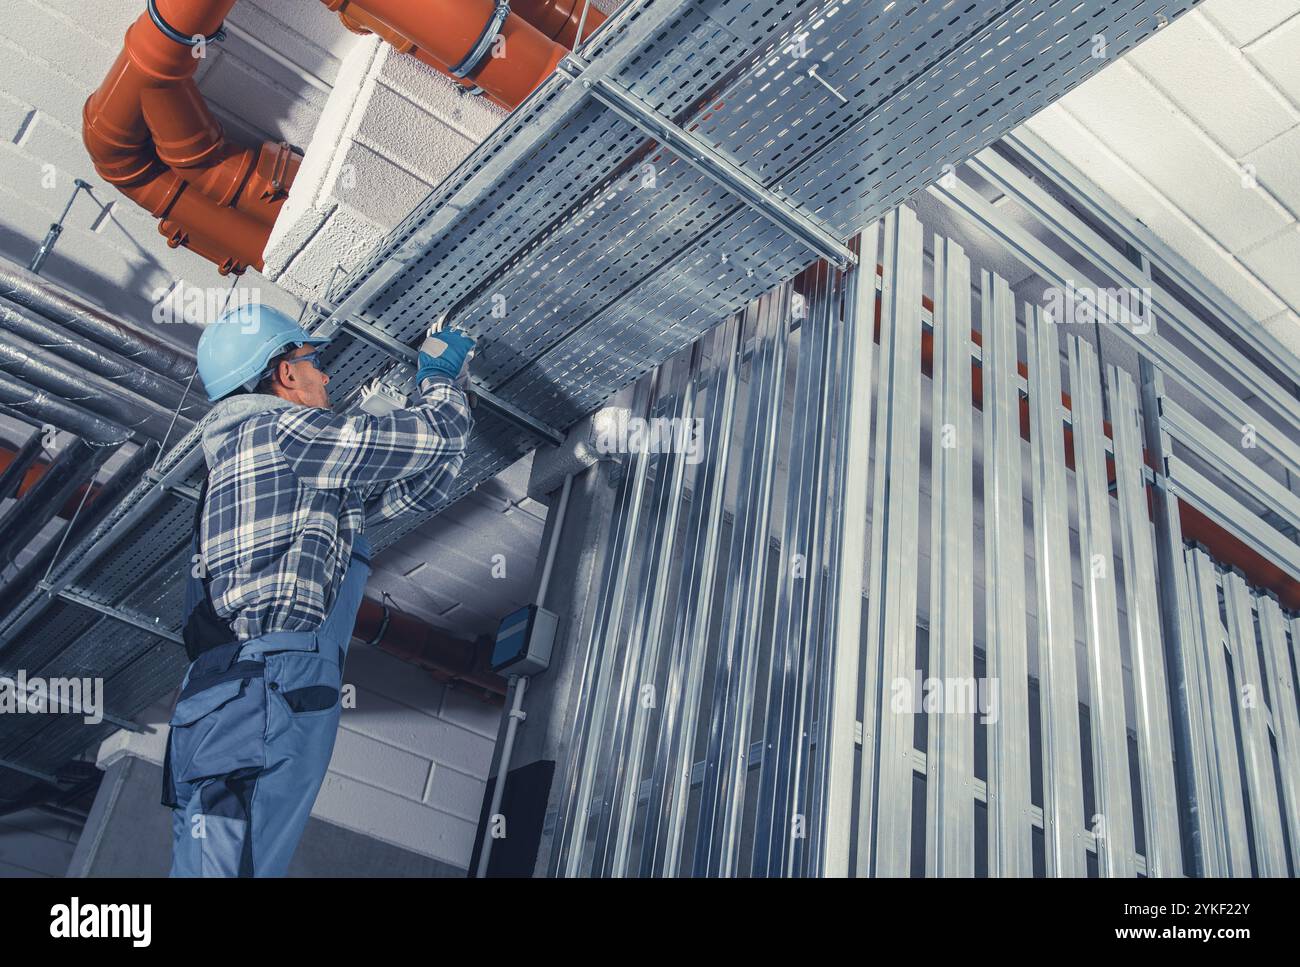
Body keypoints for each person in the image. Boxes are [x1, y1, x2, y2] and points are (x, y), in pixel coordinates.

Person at [162, 303, 474, 876]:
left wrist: (441, 400)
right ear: (284, 373)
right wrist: (439, 378)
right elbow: (438, 436)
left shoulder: (263, 457)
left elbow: (417, 489)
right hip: (273, 684)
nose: (326, 376)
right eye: (314, 362)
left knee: (219, 860)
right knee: (233, 865)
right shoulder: (281, 432)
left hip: (236, 695)